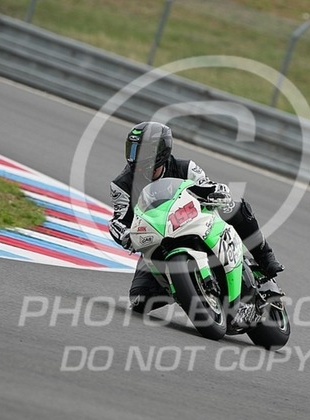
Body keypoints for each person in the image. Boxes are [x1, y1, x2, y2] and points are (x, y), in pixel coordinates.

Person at [109, 121, 284, 313]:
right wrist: (125, 234)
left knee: (235, 206)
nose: (136, 157)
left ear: (161, 150)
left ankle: (264, 257)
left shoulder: (186, 168)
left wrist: (217, 193)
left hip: (194, 222)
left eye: (143, 151)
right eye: (133, 150)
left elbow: (208, 186)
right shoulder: (121, 185)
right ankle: (183, 287)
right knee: (139, 299)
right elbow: (119, 220)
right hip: (159, 240)